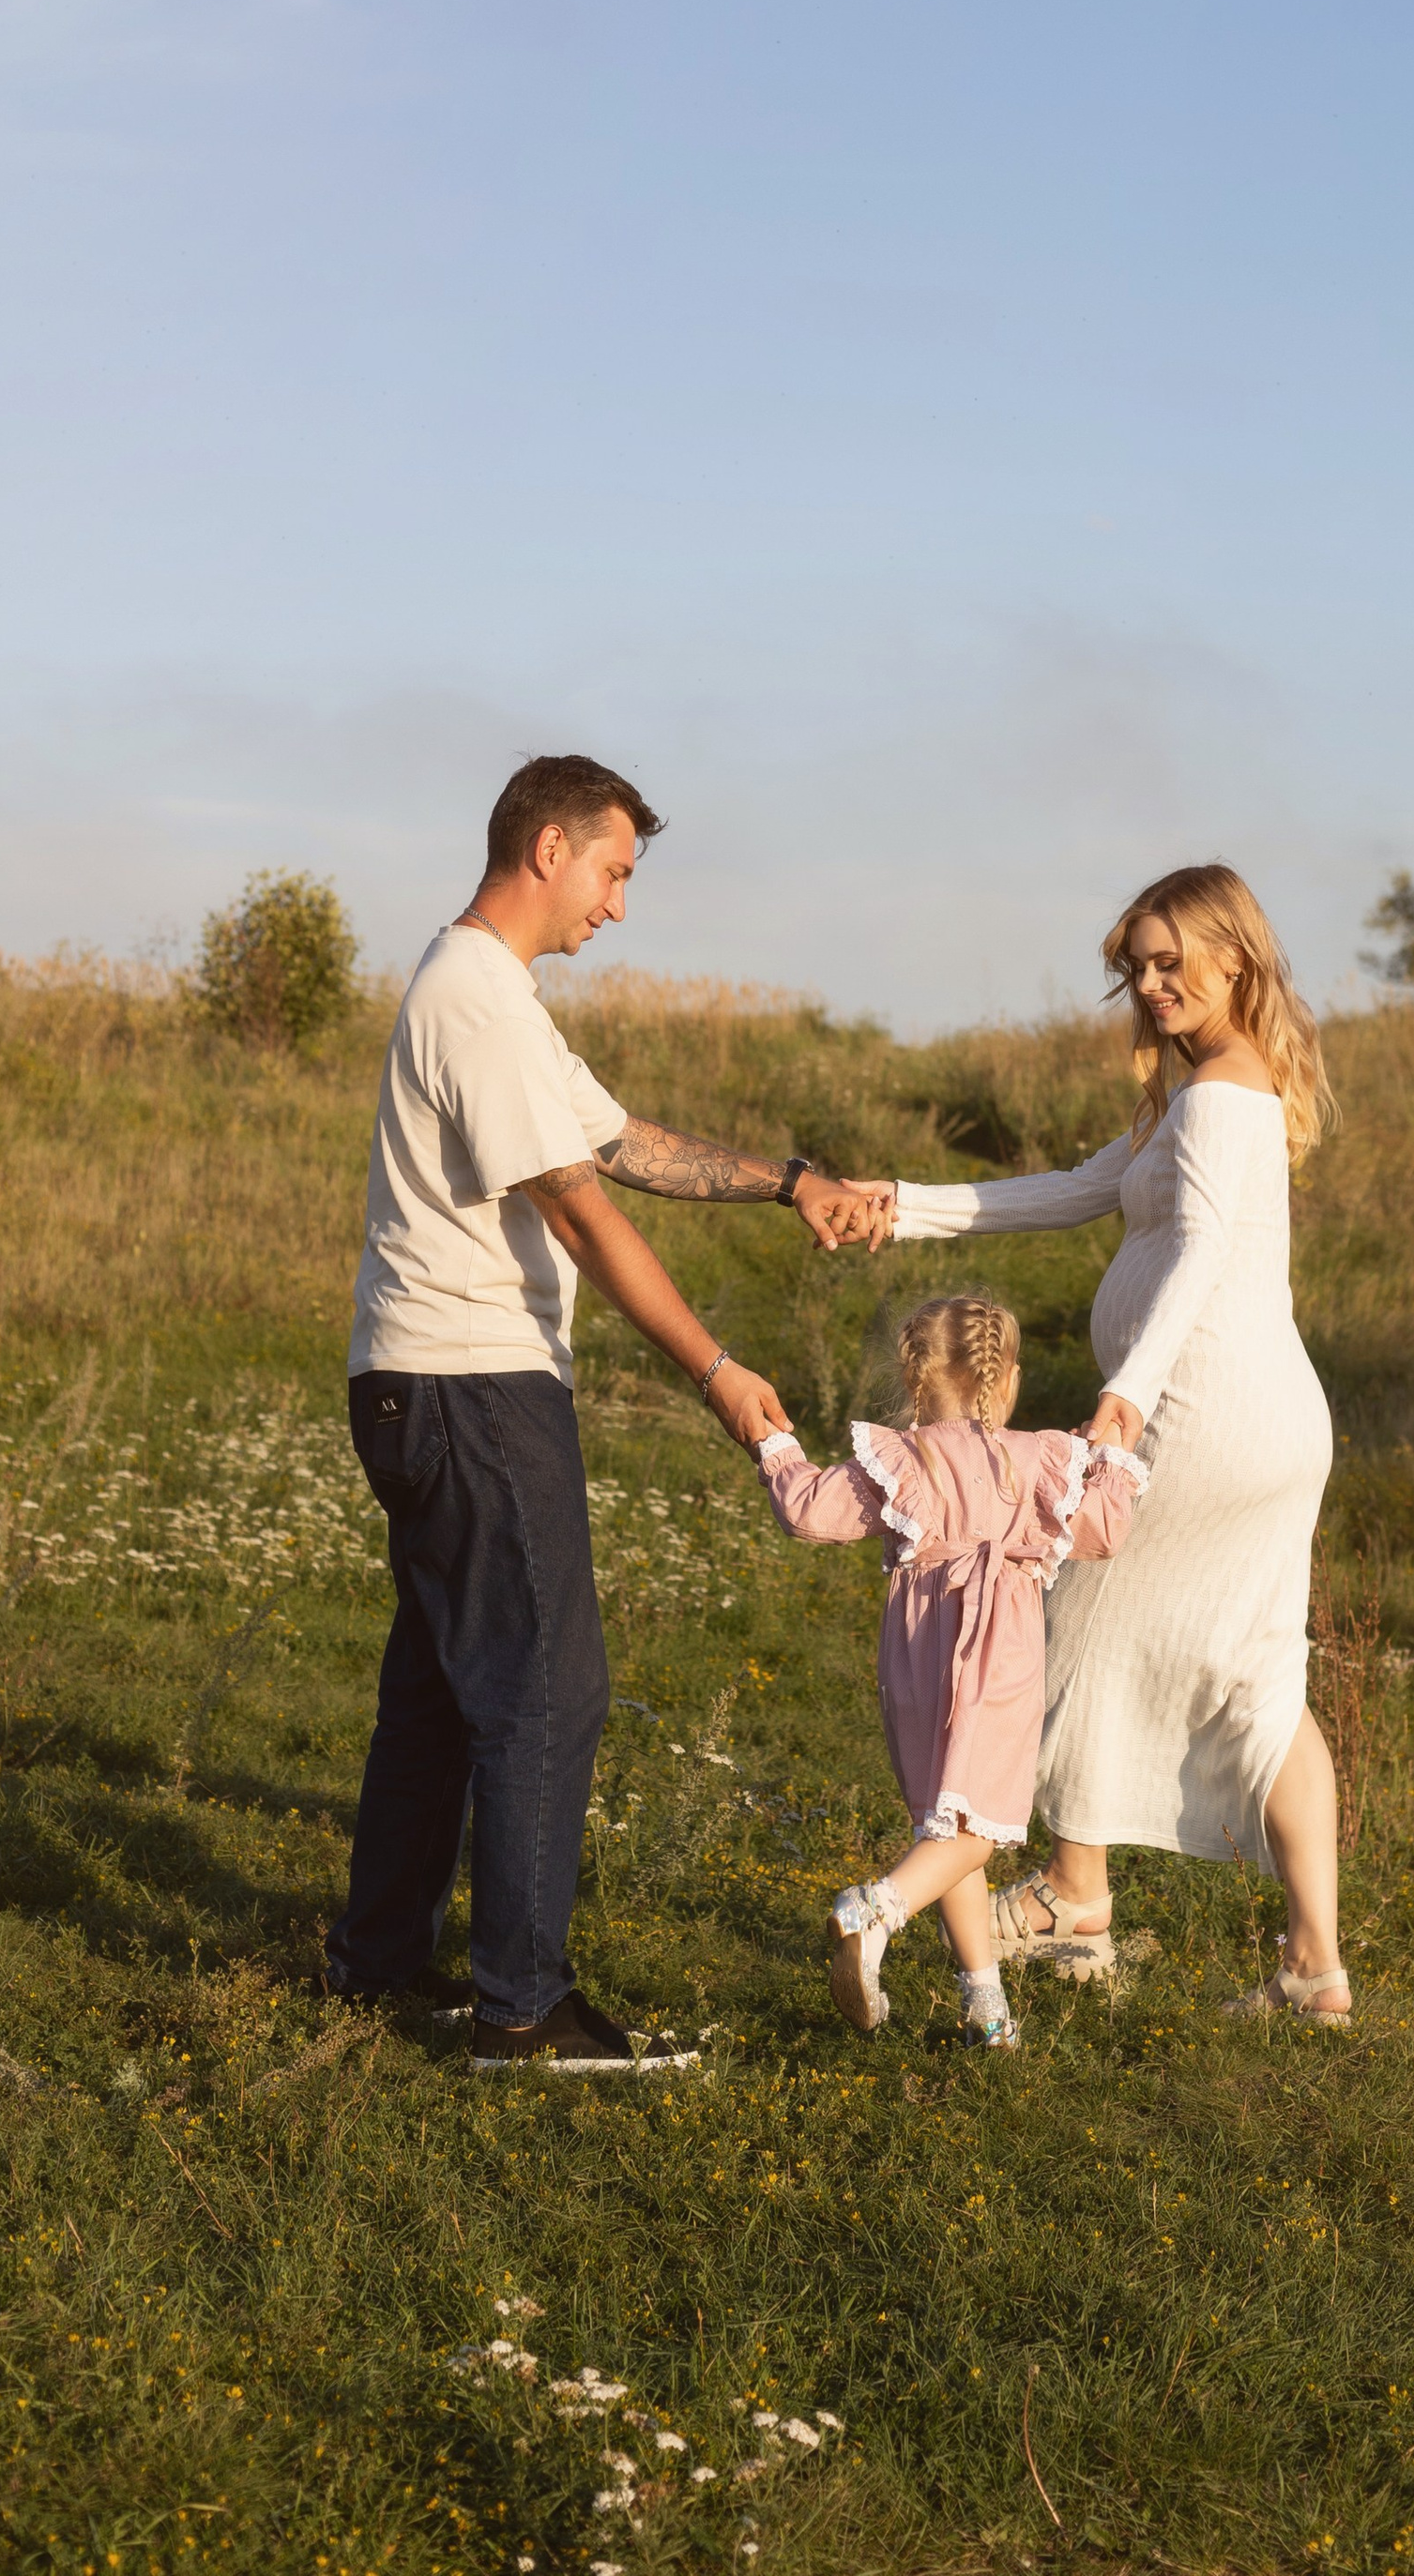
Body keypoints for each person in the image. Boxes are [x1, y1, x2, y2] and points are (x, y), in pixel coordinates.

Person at [327, 750, 891, 2071]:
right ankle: (522, 2011)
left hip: (420, 1383)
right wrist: (719, 1372)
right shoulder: (474, 999)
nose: (621, 906)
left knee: (439, 1686)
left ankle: (378, 1962)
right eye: (616, 871)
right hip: (473, 1383)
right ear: (549, 849)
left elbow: (623, 1144)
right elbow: (581, 1212)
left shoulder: (493, 999)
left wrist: (792, 1180)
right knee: (546, 1687)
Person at [883, 864, 1351, 2027]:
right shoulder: (1207, 1093)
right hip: (1261, 1421)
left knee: (1070, 1619)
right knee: (1261, 1680)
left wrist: (1129, 1396)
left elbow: (1196, 1255)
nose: (1148, 986)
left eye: (1167, 961)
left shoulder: (1221, 1097)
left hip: (1204, 1416)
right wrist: (895, 1203)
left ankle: (1075, 1899)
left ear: (1233, 958)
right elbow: (1064, 1192)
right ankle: (1312, 1972)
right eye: (1134, 969)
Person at [754, 1295, 1146, 2050]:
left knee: (946, 1818)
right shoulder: (1038, 1459)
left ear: (914, 1375)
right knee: (983, 1827)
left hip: (916, 1649)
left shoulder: (905, 1458)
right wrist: (1116, 1458)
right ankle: (875, 1911)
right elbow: (1104, 1531)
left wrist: (775, 1445)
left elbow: (807, 1512)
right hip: (997, 1649)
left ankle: (988, 2012)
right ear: (1012, 1380)